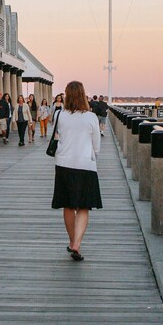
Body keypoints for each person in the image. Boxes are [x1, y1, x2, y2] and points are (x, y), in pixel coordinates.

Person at [52, 81, 102, 261]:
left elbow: (58, 136)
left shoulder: (59, 115)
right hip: (85, 164)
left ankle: (72, 240)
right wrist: (92, 154)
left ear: (66, 95)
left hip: (64, 163)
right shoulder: (91, 117)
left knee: (67, 204)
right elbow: (96, 145)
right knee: (83, 206)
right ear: (83, 95)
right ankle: (77, 243)